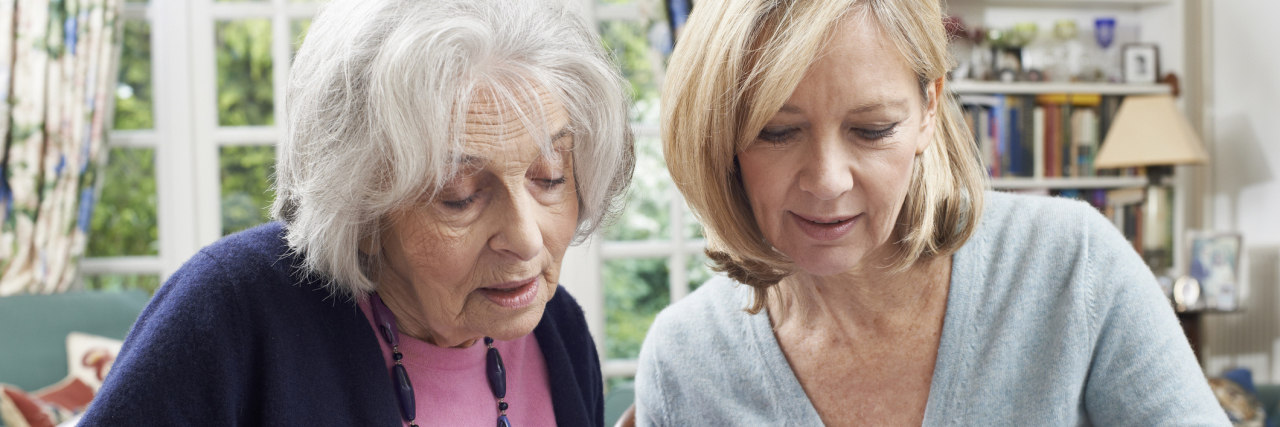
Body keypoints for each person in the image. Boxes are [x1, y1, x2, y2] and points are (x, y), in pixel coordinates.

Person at [635, 0, 1228, 425]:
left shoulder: (1073, 264)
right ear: (722, 136)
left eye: (872, 130)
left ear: (928, 108)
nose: (827, 180)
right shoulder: (685, 358)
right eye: (777, 132)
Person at [80, 0, 633, 425]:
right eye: (460, 194)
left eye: (550, 178)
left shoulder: (558, 329)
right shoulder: (232, 310)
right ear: (363, 211)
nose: (527, 239)